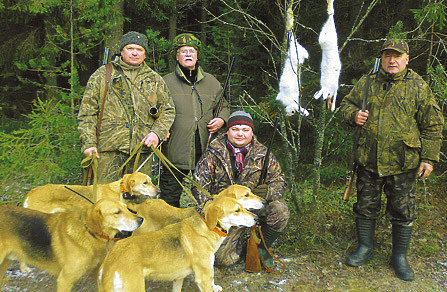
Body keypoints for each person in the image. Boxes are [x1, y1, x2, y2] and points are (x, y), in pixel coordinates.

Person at [340, 39, 444, 281]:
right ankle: (365, 248)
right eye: (388, 56)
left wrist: (428, 158)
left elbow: (433, 124)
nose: (392, 60)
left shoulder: (418, 86)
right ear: (383, 58)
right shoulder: (368, 81)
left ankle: (400, 256)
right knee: (365, 206)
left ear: (407, 59)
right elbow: (346, 104)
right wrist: (354, 115)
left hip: (403, 162)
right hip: (368, 160)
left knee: (402, 210)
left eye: (397, 56)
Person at [192, 110, 290, 267]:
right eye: (235, 129)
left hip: (253, 208)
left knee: (280, 209)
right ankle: (239, 244)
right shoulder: (213, 151)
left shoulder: (264, 154)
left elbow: (279, 180)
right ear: (228, 130)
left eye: (245, 130)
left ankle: (261, 249)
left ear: (251, 132)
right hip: (227, 215)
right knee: (223, 260)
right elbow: (198, 186)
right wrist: (211, 212)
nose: (240, 134)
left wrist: (268, 192)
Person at [78, 31, 175, 183]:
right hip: (107, 152)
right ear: (122, 51)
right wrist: (88, 143)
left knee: (138, 201)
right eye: (130, 48)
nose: (135, 53)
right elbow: (87, 112)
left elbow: (168, 111)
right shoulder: (103, 75)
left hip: (141, 151)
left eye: (140, 49)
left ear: (145, 54)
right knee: (107, 202)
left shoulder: (154, 79)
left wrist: (156, 133)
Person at [160, 33, 230, 207]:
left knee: (207, 197)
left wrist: (221, 119)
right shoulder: (164, 82)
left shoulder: (212, 82)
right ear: (177, 57)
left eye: (191, 51)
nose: (188, 54)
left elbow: (224, 107)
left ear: (197, 55)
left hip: (205, 151)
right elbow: (154, 109)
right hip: (174, 152)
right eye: (183, 51)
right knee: (169, 199)